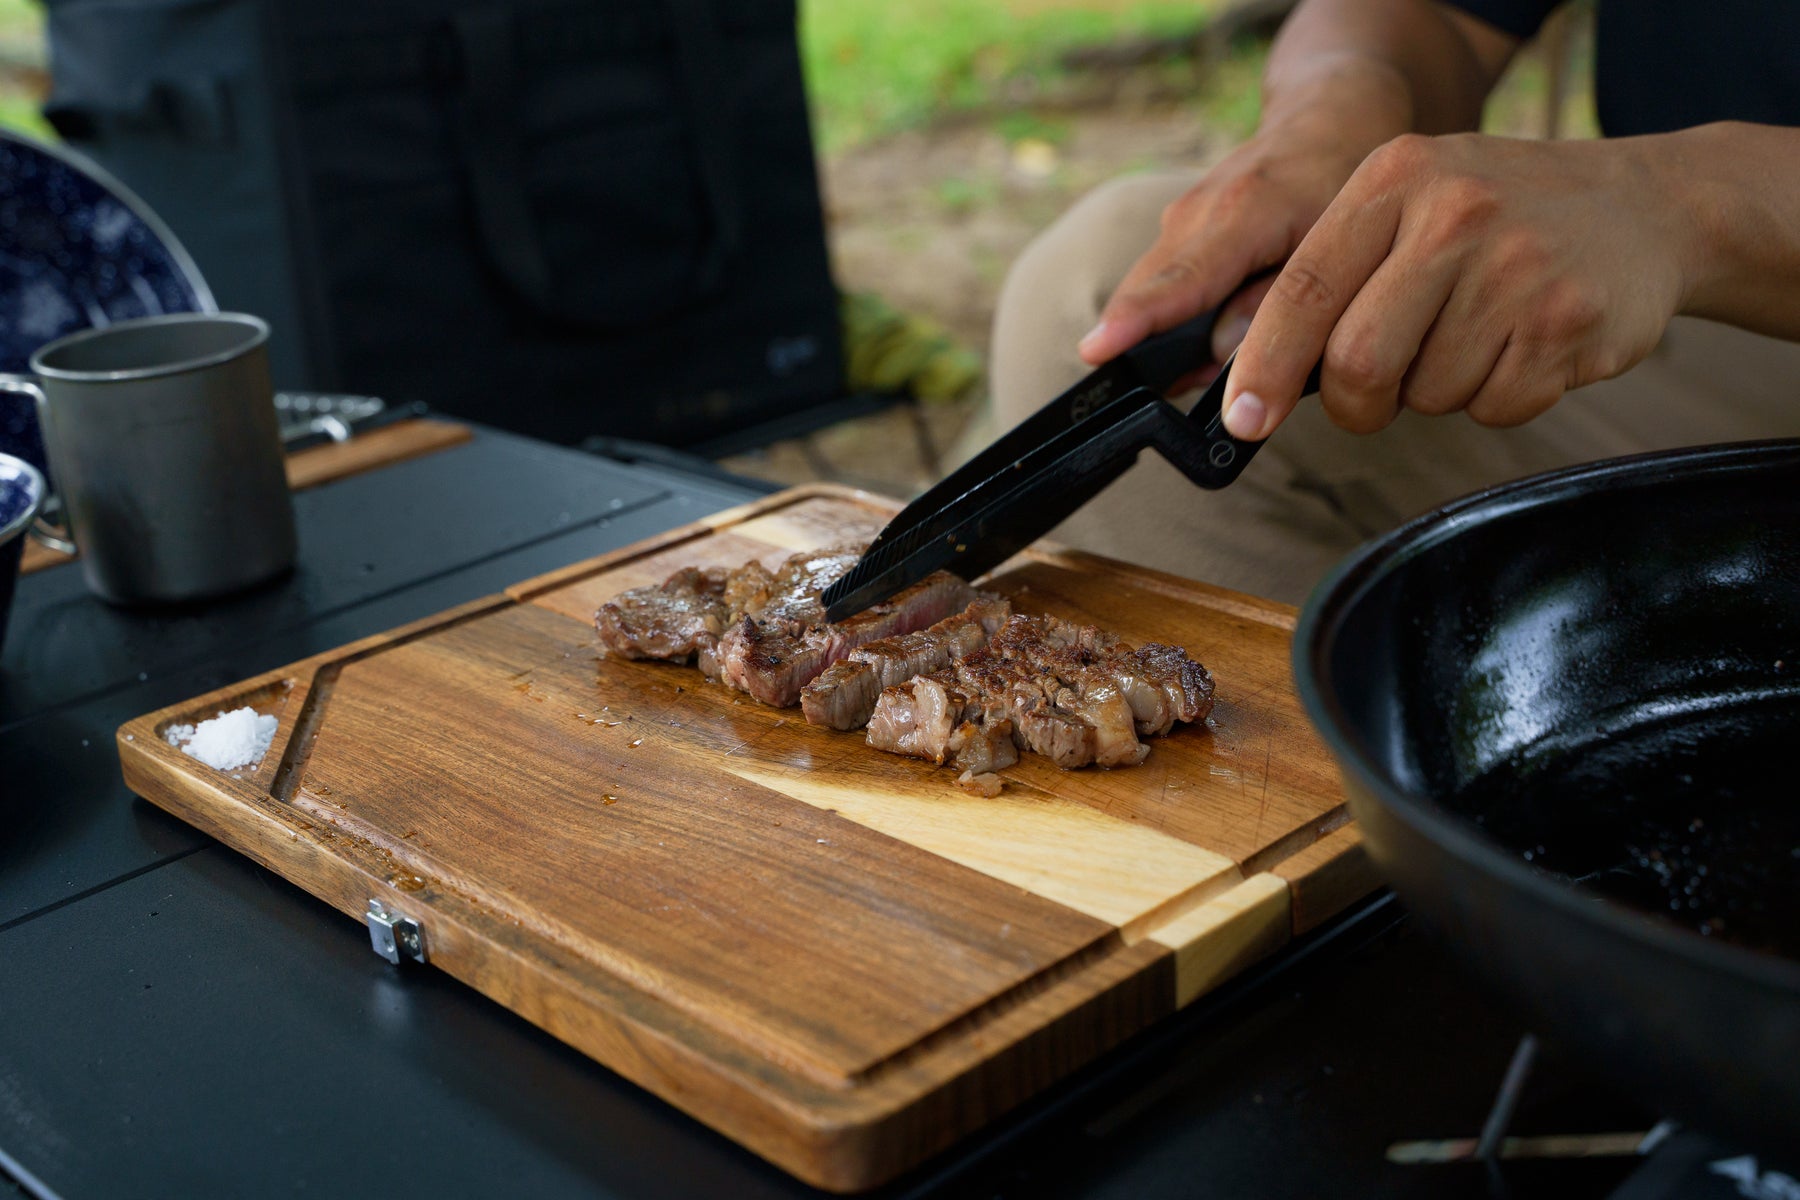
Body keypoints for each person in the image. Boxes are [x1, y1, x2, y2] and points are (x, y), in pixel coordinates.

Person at [987, 0, 1800, 604]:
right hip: (1694, 301)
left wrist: (1679, 203)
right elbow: (1435, 16)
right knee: (1100, 295)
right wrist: (1340, 95)